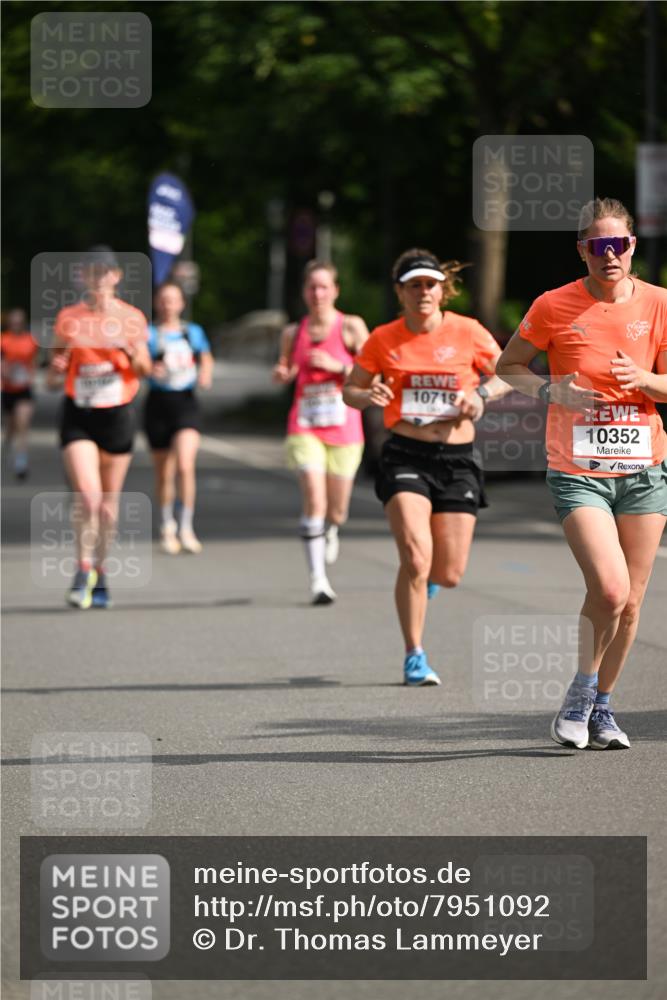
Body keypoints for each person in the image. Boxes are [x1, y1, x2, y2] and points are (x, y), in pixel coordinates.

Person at [496, 197, 667, 750]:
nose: (609, 254)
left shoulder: (661, 304)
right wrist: (552, 390)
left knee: (634, 601)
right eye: (598, 245)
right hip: (579, 470)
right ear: (583, 251)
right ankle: (580, 692)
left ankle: (603, 708)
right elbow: (508, 367)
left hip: (644, 469)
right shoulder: (553, 305)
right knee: (610, 588)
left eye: (618, 244)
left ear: (632, 247)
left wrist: (643, 378)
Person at [343, 248, 510, 685]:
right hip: (405, 455)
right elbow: (350, 389)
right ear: (400, 291)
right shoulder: (383, 338)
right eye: (414, 284)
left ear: (443, 289)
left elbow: (509, 372)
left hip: (457, 459)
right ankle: (414, 654)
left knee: (449, 573)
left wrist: (480, 397)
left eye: (430, 284)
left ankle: (429, 583)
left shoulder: (468, 331)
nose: (423, 292)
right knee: (416, 558)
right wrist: (367, 397)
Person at [46, 247, 151, 609]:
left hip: (118, 415)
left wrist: (130, 350)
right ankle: (81, 569)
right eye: (92, 273)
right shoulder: (69, 318)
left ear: (116, 277)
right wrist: (56, 369)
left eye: (105, 273)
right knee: (87, 498)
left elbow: (146, 370)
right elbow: (51, 373)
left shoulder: (132, 318)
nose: (99, 279)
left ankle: (101, 572)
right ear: (84, 278)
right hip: (79, 414)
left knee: (108, 505)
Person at [272, 260, 369, 604]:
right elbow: (286, 368)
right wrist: (282, 374)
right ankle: (318, 581)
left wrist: (339, 366)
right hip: (305, 424)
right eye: (312, 287)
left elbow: (376, 371)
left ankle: (331, 528)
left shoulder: (351, 327)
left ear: (335, 290)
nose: (318, 293)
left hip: (344, 427)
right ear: (304, 291)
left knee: (337, 510)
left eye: (324, 287)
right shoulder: (292, 332)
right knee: (314, 498)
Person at [144, 281, 213, 554]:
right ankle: (167, 525)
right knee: (165, 472)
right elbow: (136, 363)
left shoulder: (191, 332)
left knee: (185, 464)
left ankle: (186, 527)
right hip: (158, 404)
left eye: (172, 300)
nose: (167, 305)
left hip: (185, 402)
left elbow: (206, 358)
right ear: (155, 303)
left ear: (181, 303)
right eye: (162, 300)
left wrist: (206, 373)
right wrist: (150, 369)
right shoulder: (148, 334)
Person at [1, 308, 39, 479]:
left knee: (22, 423)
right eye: (13, 321)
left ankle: (21, 461)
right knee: (11, 427)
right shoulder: (3, 340)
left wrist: (31, 376)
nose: (16, 324)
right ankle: (6, 450)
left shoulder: (30, 340)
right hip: (9, 389)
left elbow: (34, 362)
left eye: (19, 321)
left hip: (24, 389)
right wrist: (4, 372)